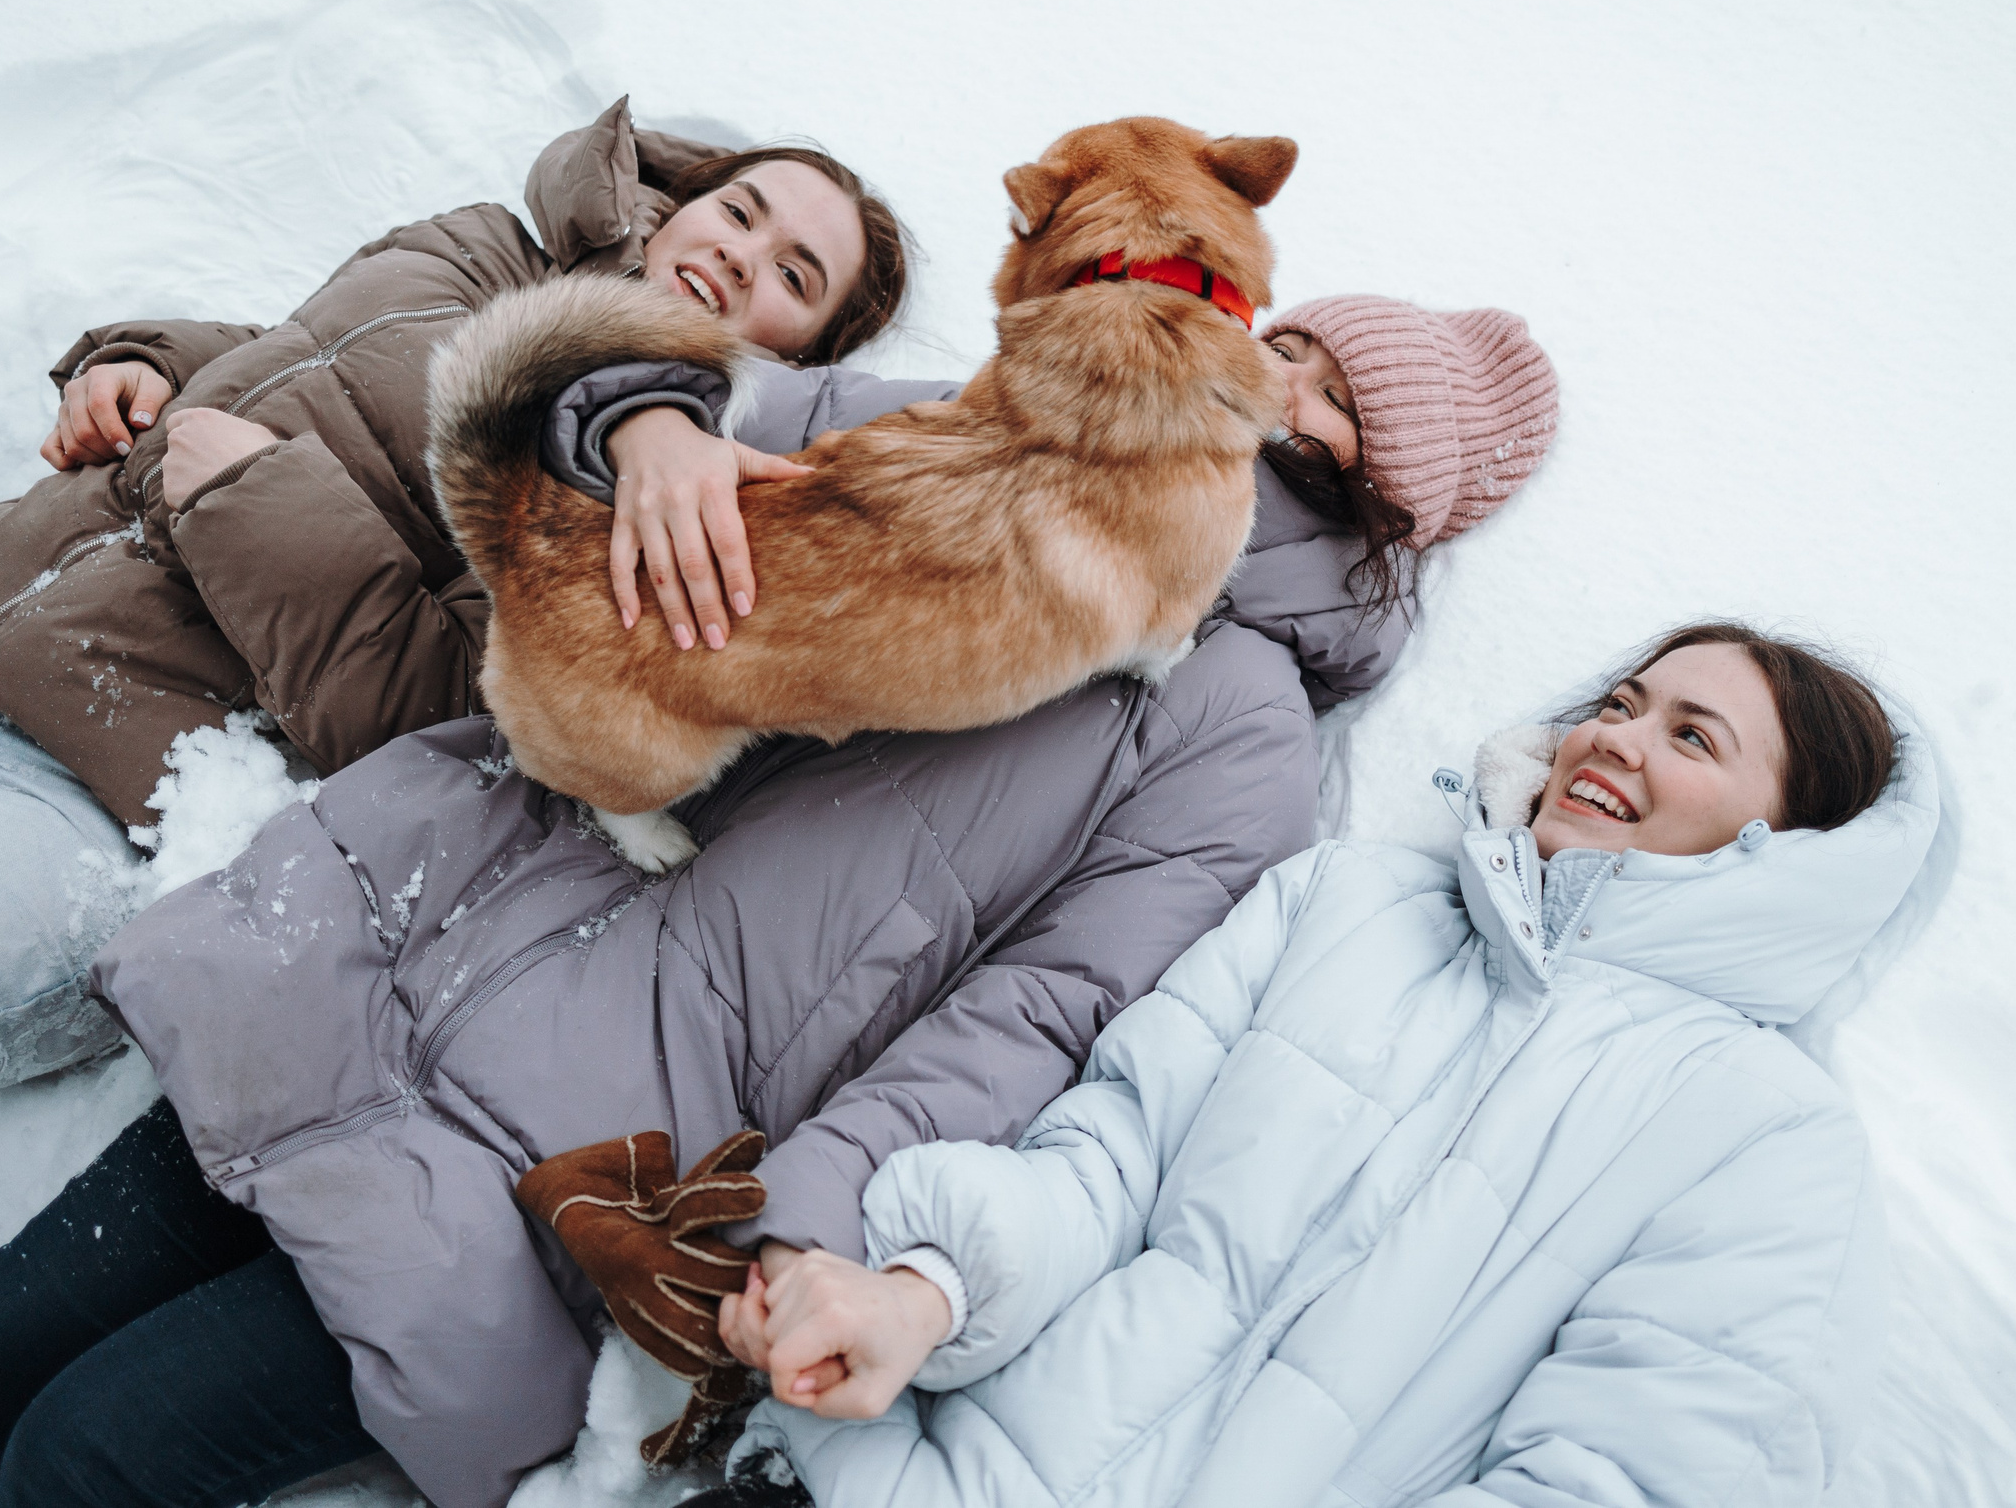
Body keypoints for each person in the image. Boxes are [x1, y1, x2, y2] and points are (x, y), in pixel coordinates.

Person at [0, 291, 1562, 1507]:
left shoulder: (1235, 739)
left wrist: (802, 1219)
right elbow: (671, 379)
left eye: (1342, 409)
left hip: (559, 1169)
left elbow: (1035, 1025)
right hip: (384, 939)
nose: (1286, 399)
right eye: (1298, 351)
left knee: (96, 1454)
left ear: (1395, 504)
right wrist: (646, 427)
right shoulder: (979, 432)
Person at [0, 96, 908, 1414]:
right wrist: (141, 362)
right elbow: (288, 357)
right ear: (671, 201)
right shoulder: (487, 246)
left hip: (114, 800)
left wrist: (240, 494)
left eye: (795, 271)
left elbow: (431, 715)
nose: (742, 251)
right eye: (742, 208)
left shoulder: (669, 522)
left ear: (811, 351)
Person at [690, 623, 1948, 1508]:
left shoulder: (1767, 1141)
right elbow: (1110, 1155)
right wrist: (922, 1297)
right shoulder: (1346, 904)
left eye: (1692, 736)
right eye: (1619, 704)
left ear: (1787, 847)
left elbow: (1628, 1479)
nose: (1617, 739)